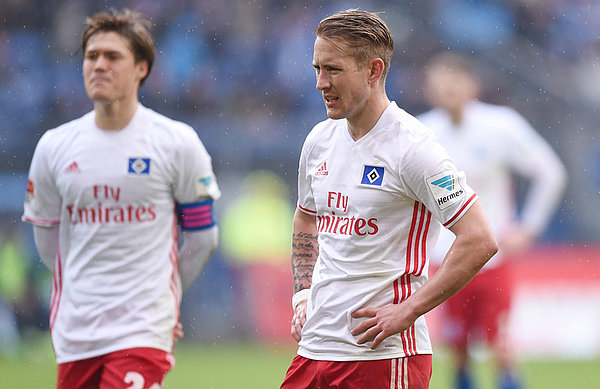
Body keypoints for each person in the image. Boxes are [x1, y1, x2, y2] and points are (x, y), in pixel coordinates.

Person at [280, 9, 498, 389]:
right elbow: (306, 218)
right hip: (314, 350)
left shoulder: (413, 148)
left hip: (383, 357)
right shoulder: (318, 140)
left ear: (374, 70)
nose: (320, 83)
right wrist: (302, 295)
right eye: (316, 68)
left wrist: (409, 310)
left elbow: (479, 238)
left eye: (333, 69)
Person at [22, 8, 221, 389]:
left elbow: (203, 237)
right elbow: (48, 242)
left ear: (141, 68)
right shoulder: (54, 147)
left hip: (142, 328)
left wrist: (167, 297)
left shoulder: (176, 142)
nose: (98, 65)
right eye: (91, 56)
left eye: (112, 57)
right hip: (75, 330)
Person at [418, 52, 567, 389]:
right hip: (445, 257)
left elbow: (550, 173)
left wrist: (530, 227)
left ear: (473, 86)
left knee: (500, 344)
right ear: (429, 90)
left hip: (491, 255)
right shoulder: (421, 132)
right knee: (457, 349)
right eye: (440, 85)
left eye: (454, 83)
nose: (448, 92)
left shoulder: (501, 125)